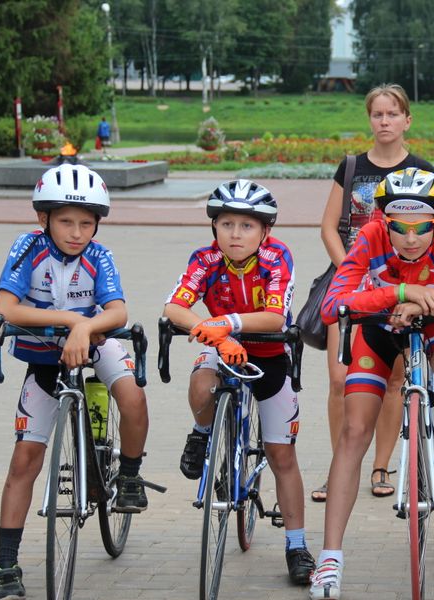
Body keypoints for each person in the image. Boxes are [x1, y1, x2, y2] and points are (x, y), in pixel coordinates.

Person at [308, 168, 434, 599]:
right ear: (383, 220)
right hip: (378, 332)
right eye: (398, 226)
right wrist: (399, 294)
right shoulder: (368, 237)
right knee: (353, 433)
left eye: (421, 226)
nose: (410, 237)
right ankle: (330, 559)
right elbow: (333, 306)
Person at [0, 164, 150, 599]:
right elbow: (8, 308)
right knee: (24, 461)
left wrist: (85, 330)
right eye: (65, 221)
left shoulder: (99, 255)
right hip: (43, 357)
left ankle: (129, 475)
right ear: (43, 219)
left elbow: (117, 313)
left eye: (86, 223)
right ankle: (6, 565)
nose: (77, 232)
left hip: (95, 343)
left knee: (132, 397)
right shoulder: (27, 246)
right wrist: (73, 320)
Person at [163, 179, 315, 585]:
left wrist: (223, 322)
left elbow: (275, 318)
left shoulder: (277, 256)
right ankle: (201, 431)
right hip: (220, 345)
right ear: (214, 227)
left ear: (265, 231)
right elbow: (174, 306)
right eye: (226, 224)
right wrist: (209, 331)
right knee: (200, 384)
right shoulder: (205, 258)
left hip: (267, 353)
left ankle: (296, 545)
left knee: (282, 456)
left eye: (246, 226)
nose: (235, 234)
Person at [314, 83, 434, 502]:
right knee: (338, 378)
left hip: (400, 285)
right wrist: (348, 267)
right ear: (370, 119)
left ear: (406, 120)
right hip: (351, 285)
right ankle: (340, 469)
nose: (384, 121)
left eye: (392, 114)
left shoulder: (420, 170)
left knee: (393, 378)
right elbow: (330, 226)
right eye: (377, 114)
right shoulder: (351, 168)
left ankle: (382, 467)